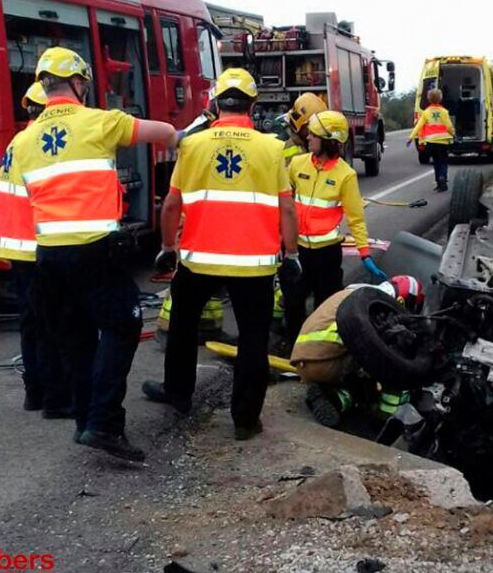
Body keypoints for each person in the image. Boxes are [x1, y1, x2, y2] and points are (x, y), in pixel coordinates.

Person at [10, 47, 179, 462]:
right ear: (79, 83)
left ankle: (86, 422)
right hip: (94, 250)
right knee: (122, 327)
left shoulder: (23, 139)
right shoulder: (101, 121)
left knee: (76, 340)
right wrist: (179, 135)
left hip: (47, 257)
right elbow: (162, 133)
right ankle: (104, 422)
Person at [142, 68, 300, 440]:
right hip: (254, 267)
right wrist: (290, 254)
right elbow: (288, 210)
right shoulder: (272, 148)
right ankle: (245, 420)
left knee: (181, 328)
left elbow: (170, 205)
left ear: (214, 103)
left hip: (199, 261)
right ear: (252, 104)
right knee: (252, 340)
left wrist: (168, 248)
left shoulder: (192, 146)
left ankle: (178, 394)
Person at [0, 82, 72, 417]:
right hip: (37, 245)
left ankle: (34, 392)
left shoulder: (20, 140)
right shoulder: (41, 144)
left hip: (17, 245)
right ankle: (54, 398)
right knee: (52, 324)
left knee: (31, 323)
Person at [283, 110, 386, 345]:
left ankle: (321, 352)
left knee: (325, 307)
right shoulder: (297, 164)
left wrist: (364, 253)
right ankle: (294, 352)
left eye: (314, 135)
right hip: (296, 250)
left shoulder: (345, 175)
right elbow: (283, 204)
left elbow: (356, 218)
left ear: (330, 141)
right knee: (293, 304)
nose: (308, 138)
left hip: (326, 255)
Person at [290, 275, 424, 427]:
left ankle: (332, 397)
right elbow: (389, 359)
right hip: (329, 362)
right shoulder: (379, 310)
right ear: (403, 301)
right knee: (395, 362)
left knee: (367, 387)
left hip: (304, 361)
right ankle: (390, 416)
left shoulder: (360, 293)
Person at [407, 87, 455, 192]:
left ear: (429, 99)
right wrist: (453, 134)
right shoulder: (444, 112)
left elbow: (418, 126)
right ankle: (443, 177)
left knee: (436, 162)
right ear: (440, 98)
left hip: (431, 142)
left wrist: (411, 138)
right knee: (443, 161)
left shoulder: (426, 112)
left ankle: (438, 181)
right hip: (442, 142)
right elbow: (448, 126)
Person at [281, 92, 327, 164]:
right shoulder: (290, 147)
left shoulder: (304, 140)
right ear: (300, 125)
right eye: (312, 126)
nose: (317, 130)